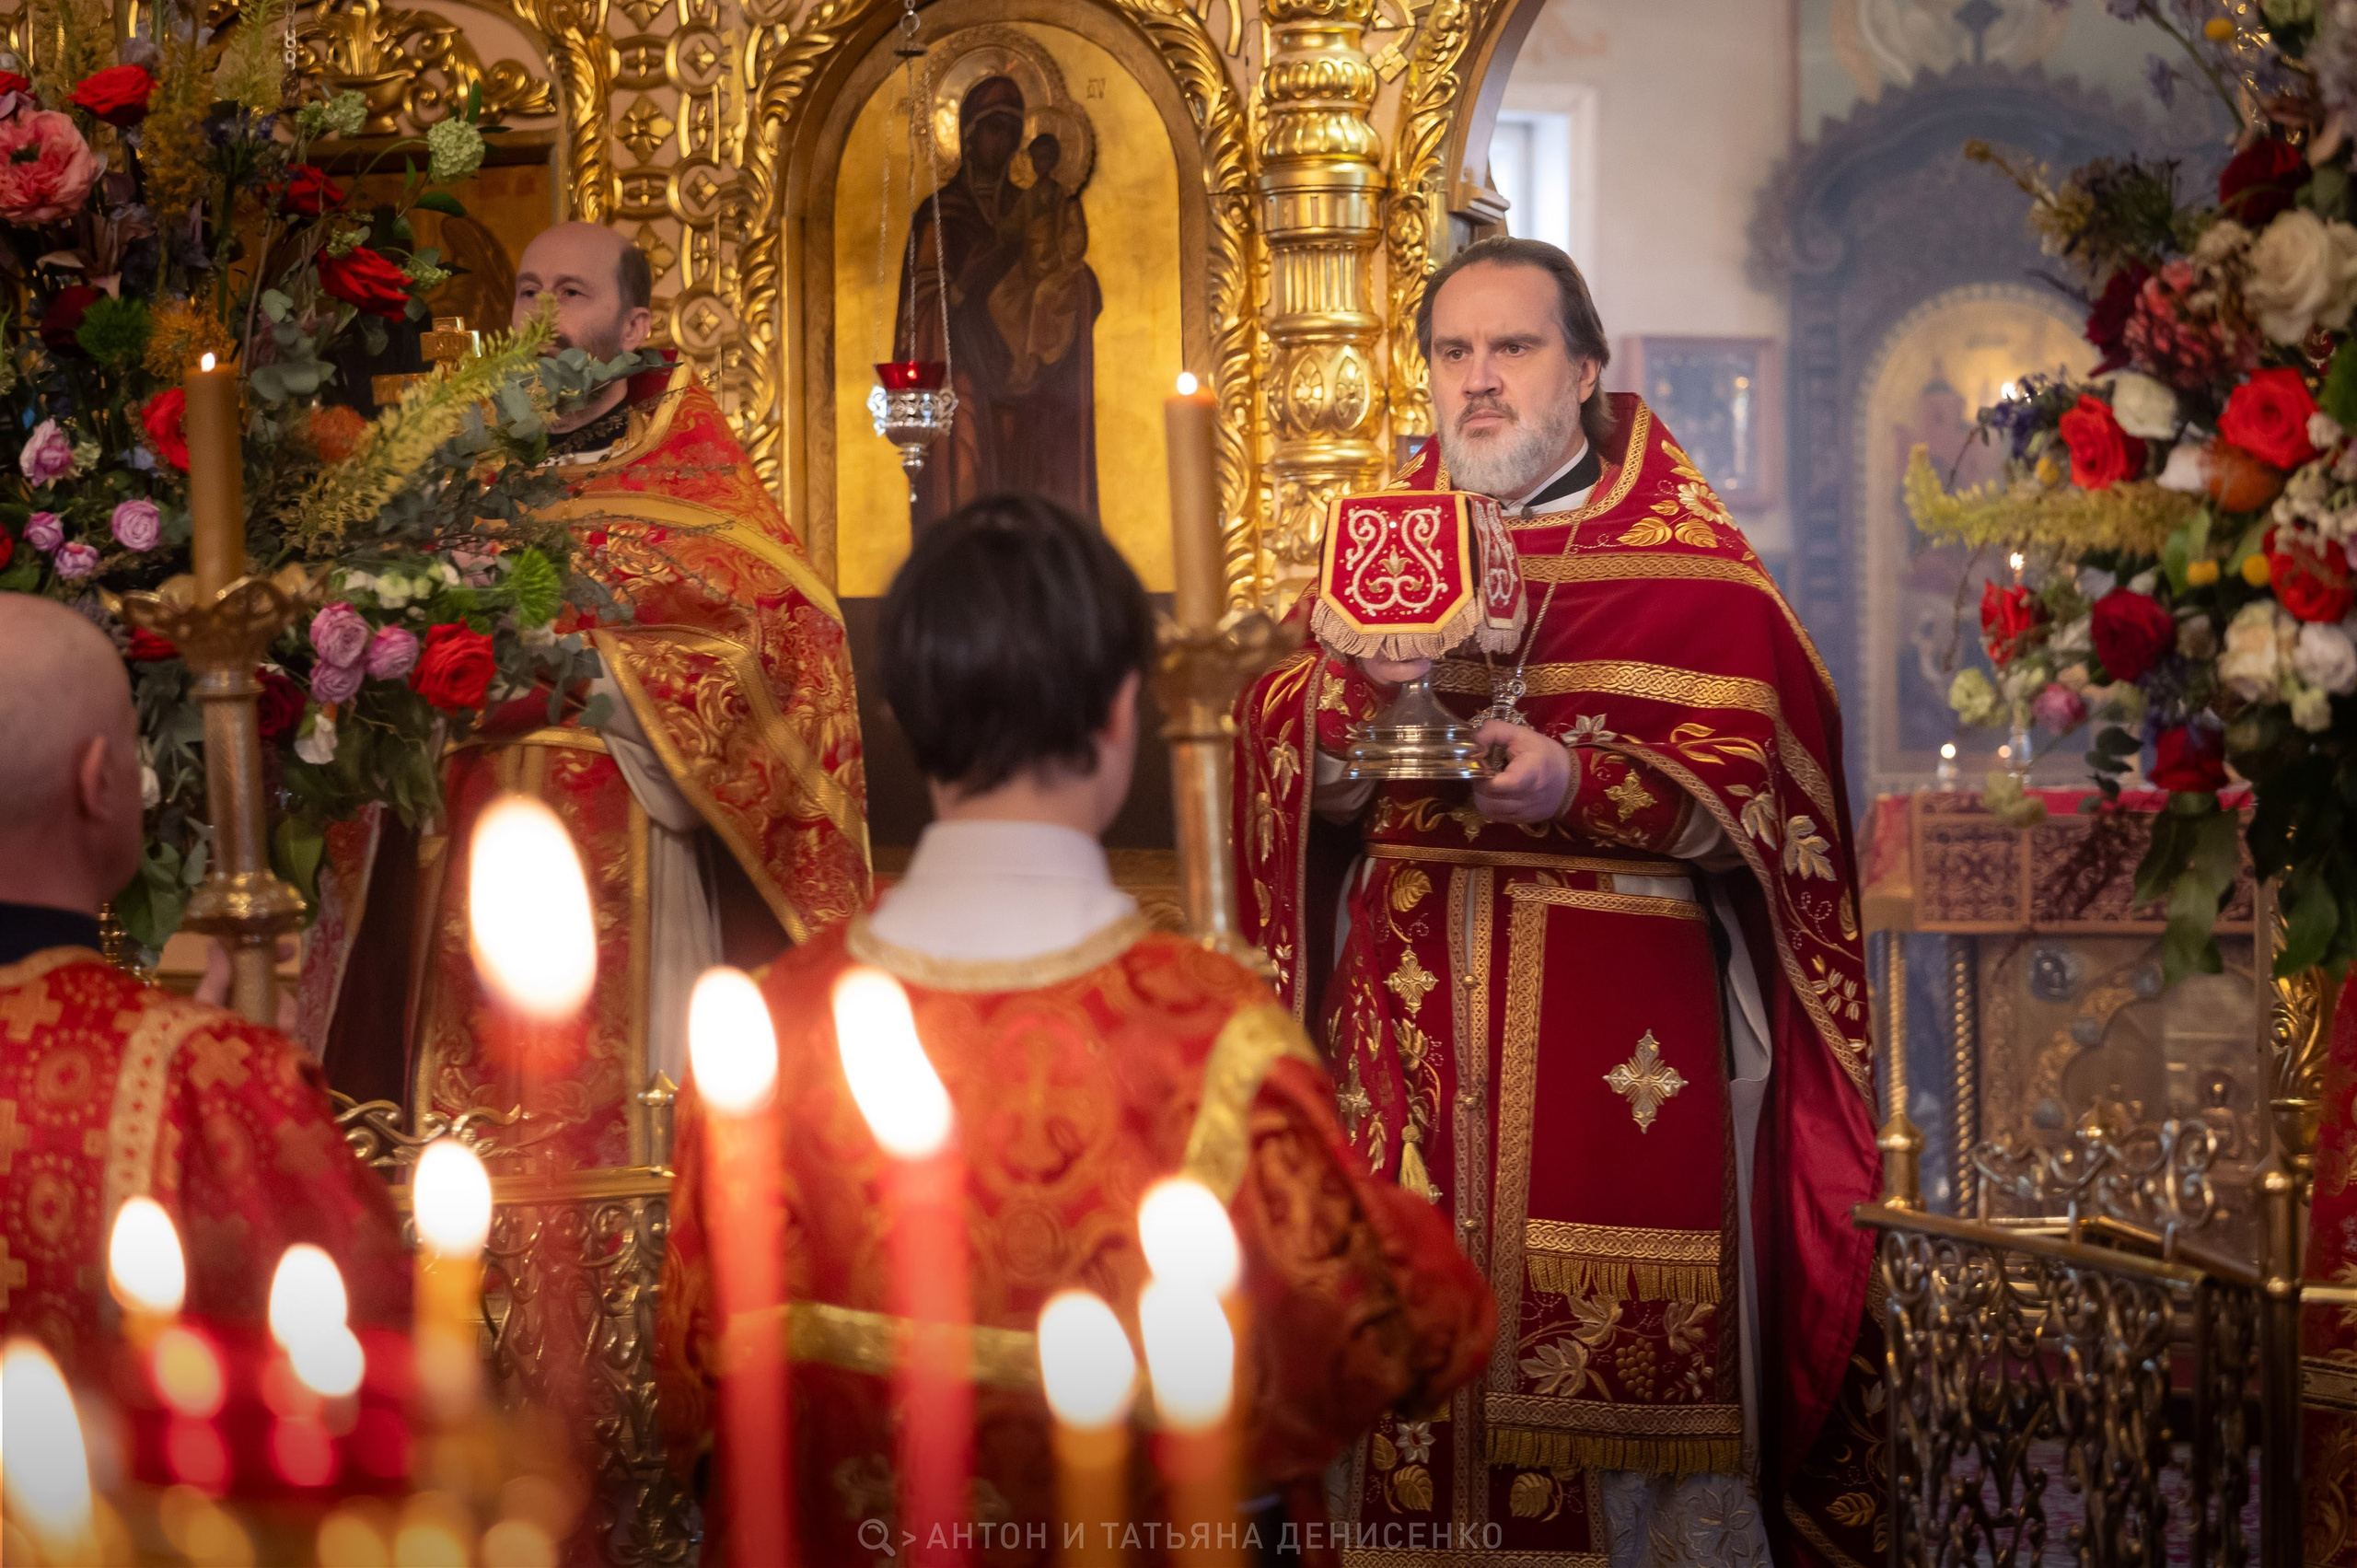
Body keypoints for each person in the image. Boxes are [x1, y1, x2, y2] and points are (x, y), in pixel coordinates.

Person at [656, 495, 1493, 1564]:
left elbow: (695, 1397)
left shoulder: (767, 1024)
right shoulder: (1212, 1034)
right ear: (1121, 713)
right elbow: (1393, 1338)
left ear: (901, 716)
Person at [1233, 237, 1887, 1563]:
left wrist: (1580, 780)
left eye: (1513, 347)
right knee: (1396, 1367)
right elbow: (1284, 756)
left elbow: (1774, 794)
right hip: (1402, 1032)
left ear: (1585, 370)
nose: (1477, 378)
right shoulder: (1383, 544)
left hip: (1613, 1047)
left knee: (1609, 1413)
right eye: (1453, 352)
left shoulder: (1691, 570)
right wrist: (1356, 695)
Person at [297, 222, 870, 1171]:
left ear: (635, 325)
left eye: (572, 293)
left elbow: (788, 639)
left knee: (630, 1156)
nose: (542, 314)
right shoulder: (453, 476)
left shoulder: (696, 478)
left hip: (636, 853)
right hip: (460, 859)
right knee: (465, 1157)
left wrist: (584, 676)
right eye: (527, 291)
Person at [0, 594, 409, 1379]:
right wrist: (248, 1084)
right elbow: (364, 1368)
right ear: (98, 780)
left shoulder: (206, 1066)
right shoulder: (203, 1079)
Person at [899, 76, 1101, 528]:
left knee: (1037, 478)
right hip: (965, 372)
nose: (1005, 142)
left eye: (1012, 132)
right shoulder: (941, 214)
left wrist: (1076, 285)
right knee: (966, 463)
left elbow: (1064, 263)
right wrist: (963, 284)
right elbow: (921, 304)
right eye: (994, 129)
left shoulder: (1032, 205)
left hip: (1030, 376)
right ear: (969, 136)